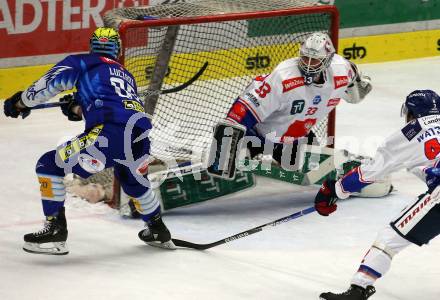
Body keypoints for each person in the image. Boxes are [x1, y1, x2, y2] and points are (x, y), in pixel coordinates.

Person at [3, 27, 175, 255]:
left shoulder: (82, 62)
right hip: (139, 136)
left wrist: (21, 102)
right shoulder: (124, 73)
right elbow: (110, 103)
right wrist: (77, 106)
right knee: (131, 177)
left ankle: (55, 231)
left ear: (92, 46)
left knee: (49, 165)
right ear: (118, 49)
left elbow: (47, 85)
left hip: (108, 134)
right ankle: (157, 229)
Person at [314, 90, 440, 299]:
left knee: (388, 240)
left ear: (412, 113)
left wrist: (334, 190)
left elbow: (368, 174)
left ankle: (359, 288)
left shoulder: (410, 133)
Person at [217, 32, 372, 168]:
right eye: (305, 58)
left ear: (327, 60)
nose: (308, 65)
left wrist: (359, 87)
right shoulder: (284, 76)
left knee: (306, 167)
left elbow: (355, 88)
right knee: (235, 159)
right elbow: (247, 108)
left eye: (315, 60)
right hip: (256, 136)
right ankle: (246, 152)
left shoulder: (341, 70)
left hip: (293, 140)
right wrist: (228, 138)